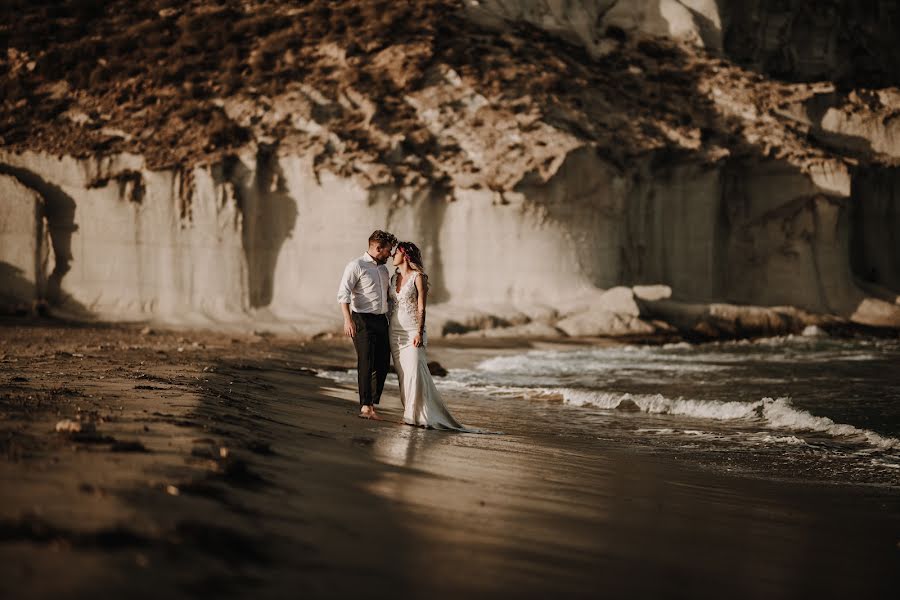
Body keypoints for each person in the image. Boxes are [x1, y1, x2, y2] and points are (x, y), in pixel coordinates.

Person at [389, 241, 471, 430]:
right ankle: (410, 412)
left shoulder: (419, 277)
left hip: (412, 331)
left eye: (396, 252)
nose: (393, 255)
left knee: (415, 373)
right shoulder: (393, 278)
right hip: (394, 332)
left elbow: (421, 307)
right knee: (403, 374)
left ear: (405, 255)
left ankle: (415, 416)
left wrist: (419, 331)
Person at [337, 230, 397, 419]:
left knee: (383, 363)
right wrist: (348, 320)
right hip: (361, 319)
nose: (390, 253)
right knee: (366, 361)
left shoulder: (383, 269)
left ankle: (372, 402)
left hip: (381, 320)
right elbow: (343, 294)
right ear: (378, 248)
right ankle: (366, 406)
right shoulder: (356, 265)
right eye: (388, 250)